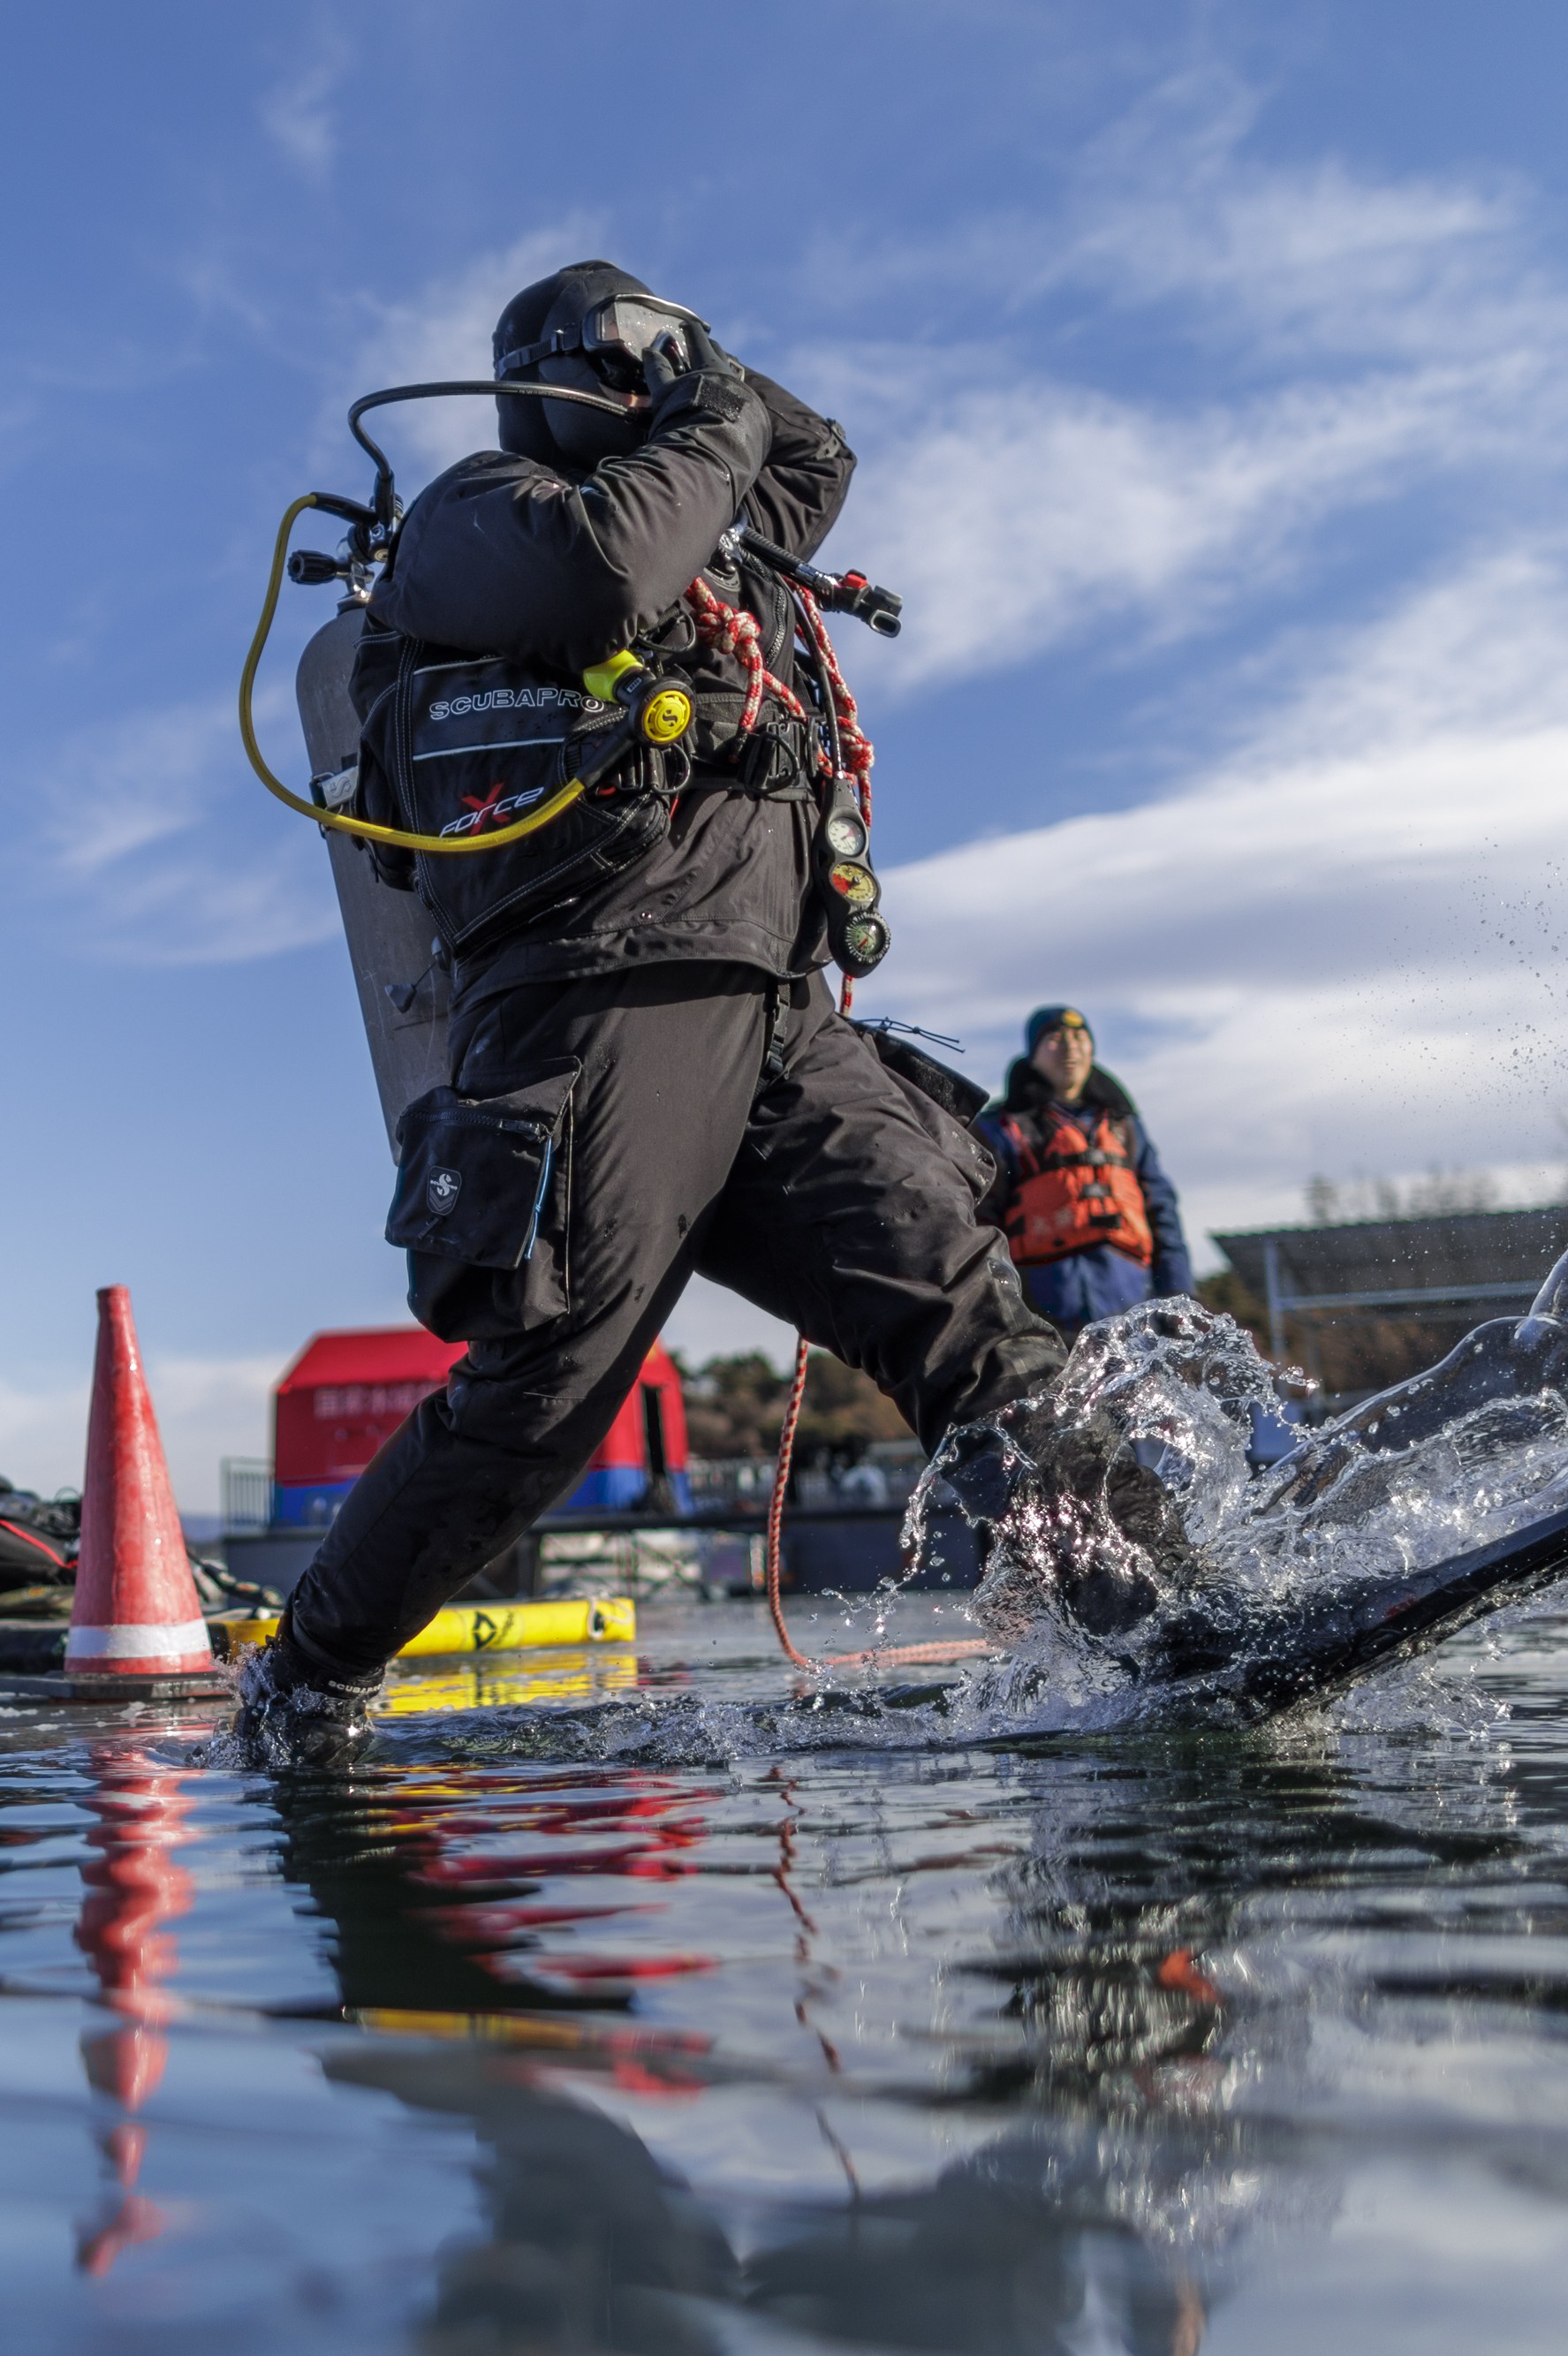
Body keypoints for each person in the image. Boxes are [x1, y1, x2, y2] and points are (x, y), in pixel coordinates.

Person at [238, 261, 1077, 1764]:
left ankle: (1166, 1602)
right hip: (593, 1004)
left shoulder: (717, 517)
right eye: (627, 354)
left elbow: (813, 460)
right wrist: (688, 403)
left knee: (962, 1309)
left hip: (773, 1012)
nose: (665, 380)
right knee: (545, 1399)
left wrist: (706, 360)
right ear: (553, 374)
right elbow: (603, 575)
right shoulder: (475, 519)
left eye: (665, 357)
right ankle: (304, 1680)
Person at [978, 1006, 1193, 1336]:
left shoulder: (1124, 1128)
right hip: (1040, 1311)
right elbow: (980, 1222)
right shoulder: (1001, 1129)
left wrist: (1178, 1297)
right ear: (1033, 1053)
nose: (1069, 1048)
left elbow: (1163, 1212)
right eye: (1054, 1039)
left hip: (1132, 1310)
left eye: (1079, 1037)